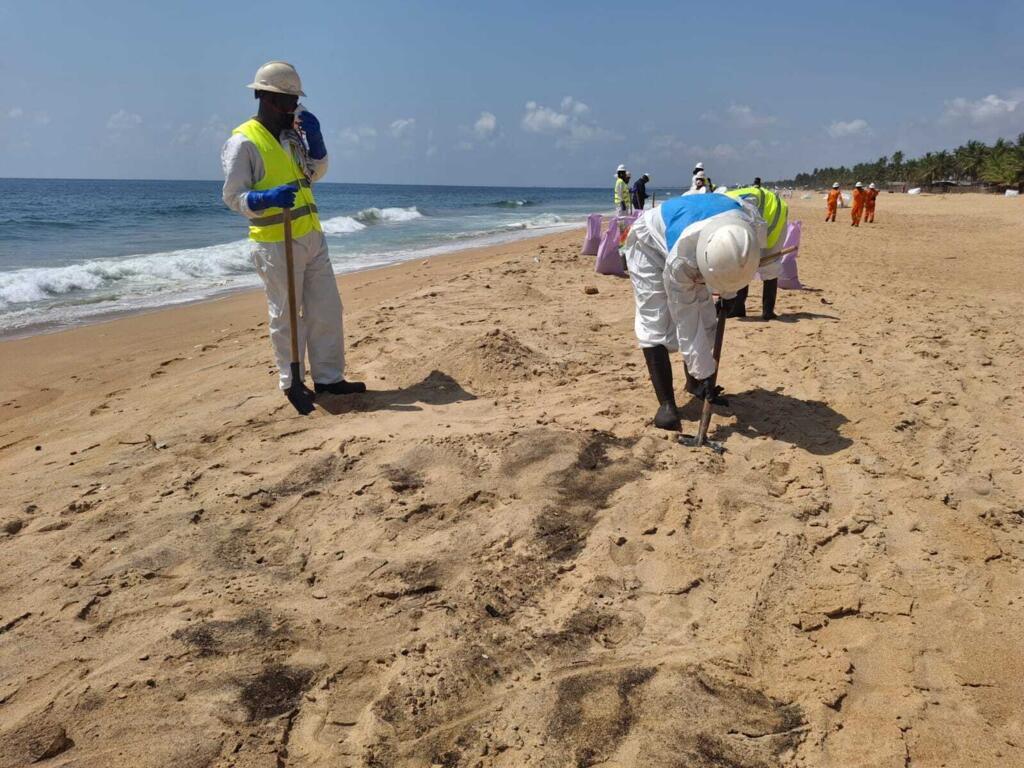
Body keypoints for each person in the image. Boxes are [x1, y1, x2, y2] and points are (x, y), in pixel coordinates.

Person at [222, 61, 365, 400]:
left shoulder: (290, 137)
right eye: (289, 102)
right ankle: (292, 382)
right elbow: (233, 197)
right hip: (275, 241)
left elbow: (312, 173)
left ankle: (329, 378)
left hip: (311, 236)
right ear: (266, 97)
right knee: (287, 315)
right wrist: (263, 197)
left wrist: (316, 143)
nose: (295, 109)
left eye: (295, 101)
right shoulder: (243, 142)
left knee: (325, 309)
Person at [624, 194, 765, 431]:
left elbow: (739, 265)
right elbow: (686, 323)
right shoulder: (683, 261)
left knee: (706, 314)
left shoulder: (746, 234)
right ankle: (667, 404)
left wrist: (729, 294)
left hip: (704, 241)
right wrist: (706, 374)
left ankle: (693, 384)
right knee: (654, 321)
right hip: (648, 245)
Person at [724, 184, 788, 320]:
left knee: (770, 266)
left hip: (775, 215)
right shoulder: (727, 203)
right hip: (760, 218)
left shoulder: (739, 203)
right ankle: (738, 308)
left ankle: (768, 311)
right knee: (743, 264)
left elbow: (755, 224)